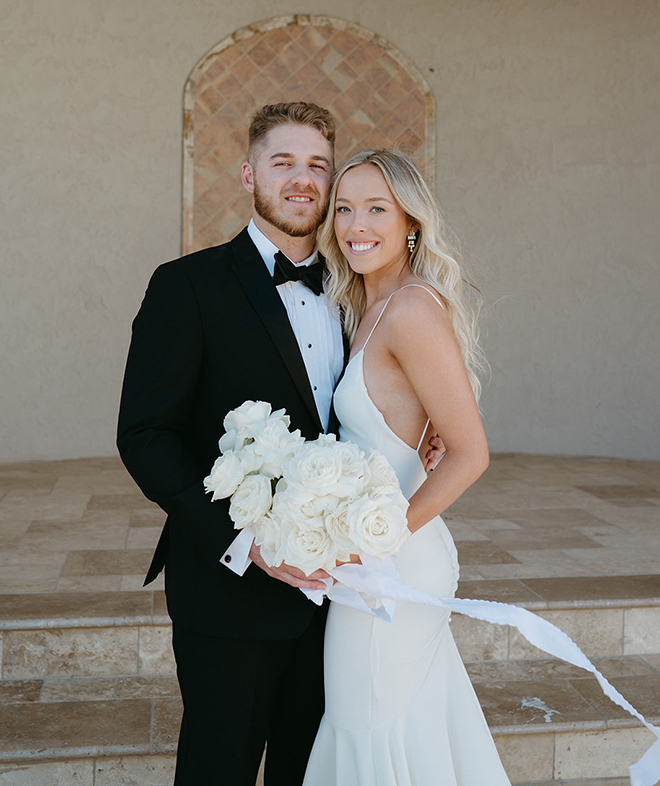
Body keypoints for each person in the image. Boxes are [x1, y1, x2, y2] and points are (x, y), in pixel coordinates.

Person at [117, 103, 444, 786]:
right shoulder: (187, 286)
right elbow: (145, 436)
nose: (303, 180)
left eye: (318, 166)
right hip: (229, 588)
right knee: (219, 768)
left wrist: (420, 433)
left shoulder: (358, 290)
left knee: (314, 770)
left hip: (342, 598)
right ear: (248, 174)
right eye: (283, 163)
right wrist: (247, 545)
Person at [303, 150, 512, 784]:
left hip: (395, 564)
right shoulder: (365, 306)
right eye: (343, 208)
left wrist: (380, 542)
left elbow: (470, 452)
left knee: (366, 726)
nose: (354, 224)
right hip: (379, 563)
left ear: (410, 222)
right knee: (399, 724)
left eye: (376, 208)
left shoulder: (412, 309)